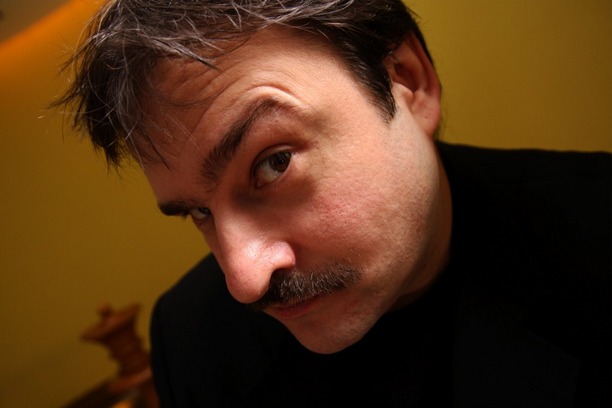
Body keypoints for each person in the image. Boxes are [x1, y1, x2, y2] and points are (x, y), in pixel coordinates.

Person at [55, 0, 611, 406]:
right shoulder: (193, 341)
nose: (244, 281)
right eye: (200, 212)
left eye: (273, 163)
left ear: (407, 81)